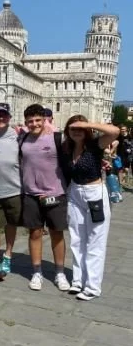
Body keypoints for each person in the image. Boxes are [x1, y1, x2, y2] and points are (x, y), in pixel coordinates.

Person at [63, 115, 119, 300]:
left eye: (80, 128)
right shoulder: (68, 147)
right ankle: (78, 280)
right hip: (75, 193)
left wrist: (87, 123)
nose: (77, 131)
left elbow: (115, 131)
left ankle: (92, 286)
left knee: (95, 240)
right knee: (77, 239)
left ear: (87, 130)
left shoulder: (95, 145)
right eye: (73, 128)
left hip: (95, 193)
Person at [19, 103, 70, 292]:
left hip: (55, 193)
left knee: (57, 233)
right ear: (25, 122)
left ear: (45, 119)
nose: (34, 124)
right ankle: (37, 272)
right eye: (30, 121)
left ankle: (59, 272)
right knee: (35, 233)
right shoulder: (22, 139)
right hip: (31, 194)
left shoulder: (57, 138)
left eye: (38, 120)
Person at [0, 103, 22, 280]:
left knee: (11, 225)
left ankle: (7, 255)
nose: (1, 118)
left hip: (14, 190)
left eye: (4, 115)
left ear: (9, 117)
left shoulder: (17, 136)